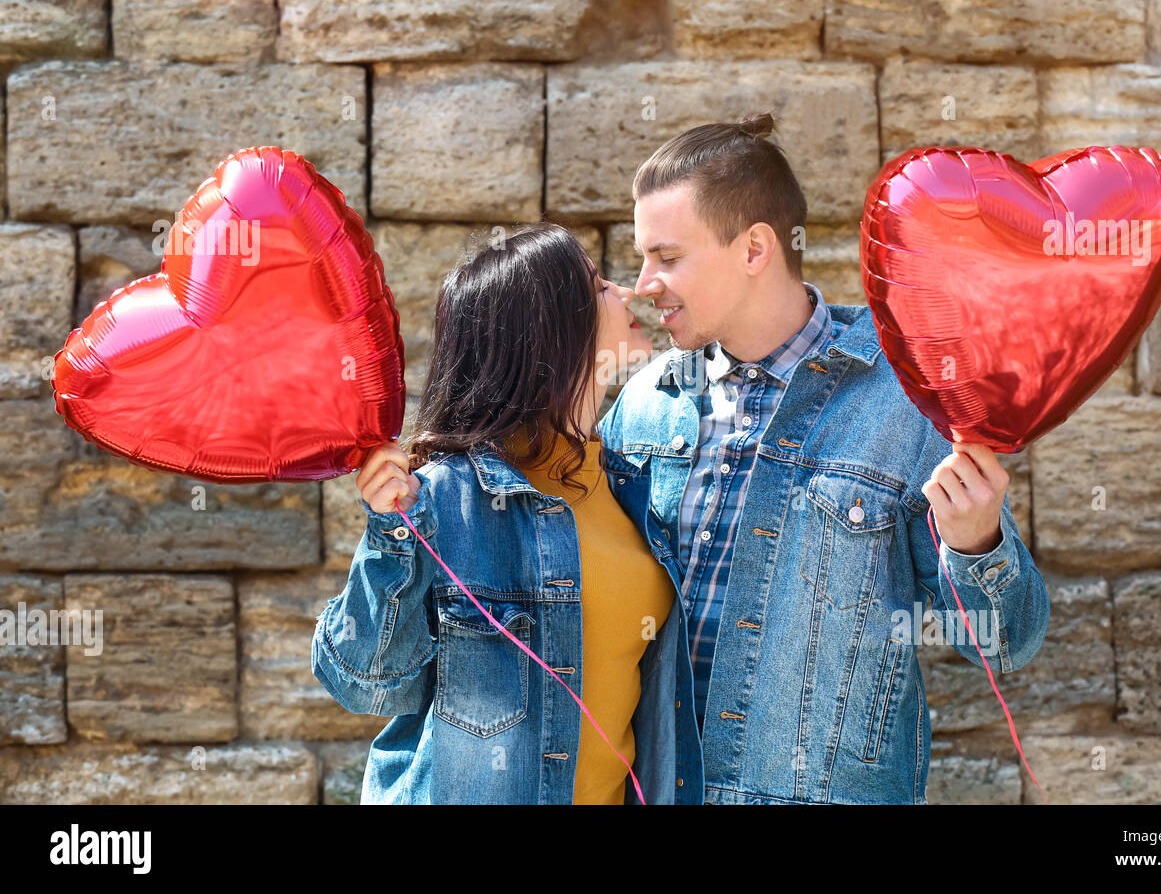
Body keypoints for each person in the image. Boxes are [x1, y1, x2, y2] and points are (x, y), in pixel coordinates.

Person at [596, 112, 1052, 804]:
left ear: (755, 250)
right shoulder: (646, 403)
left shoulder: (907, 399)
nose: (643, 283)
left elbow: (1005, 643)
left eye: (666, 256)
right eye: (643, 258)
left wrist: (976, 543)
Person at [312, 223, 681, 804]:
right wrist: (388, 536)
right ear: (550, 326)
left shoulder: (638, 489)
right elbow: (362, 683)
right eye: (596, 284)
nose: (625, 290)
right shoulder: (439, 500)